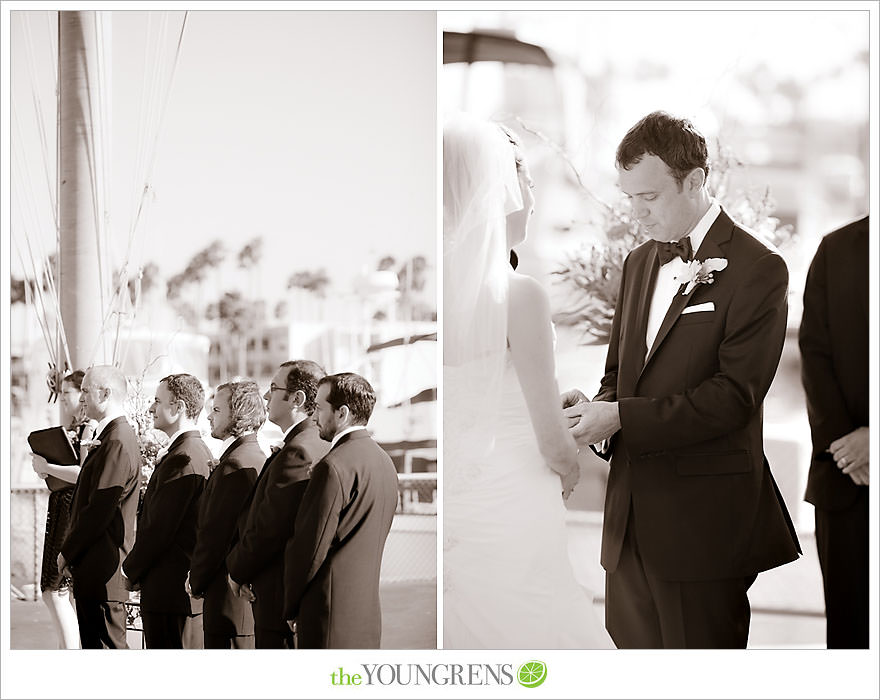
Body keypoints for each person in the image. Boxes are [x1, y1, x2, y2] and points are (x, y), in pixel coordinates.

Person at [563, 111, 801, 648]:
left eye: (648, 198)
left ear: (695, 181)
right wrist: (595, 411)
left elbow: (733, 398)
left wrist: (621, 415)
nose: (636, 214)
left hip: (703, 528)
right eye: (628, 199)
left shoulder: (759, 269)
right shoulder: (636, 263)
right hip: (626, 528)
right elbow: (620, 377)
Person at [441, 113, 612, 650]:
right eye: (527, 180)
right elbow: (550, 438)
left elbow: (476, 396)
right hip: (516, 494)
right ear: (504, 189)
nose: (533, 196)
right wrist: (566, 469)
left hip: (461, 499)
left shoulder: (441, 299)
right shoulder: (519, 294)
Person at [282, 372, 399, 649]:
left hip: (327, 616)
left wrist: (289, 606)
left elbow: (310, 548)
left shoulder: (332, 466)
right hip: (367, 616)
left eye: (320, 409)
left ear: (342, 412)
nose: (314, 418)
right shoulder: (384, 462)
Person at [799, 214, 869, 649]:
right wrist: (848, 449)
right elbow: (814, 355)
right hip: (847, 483)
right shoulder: (836, 249)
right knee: (849, 636)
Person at [226, 361, 329, 649]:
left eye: (273, 388)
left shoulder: (299, 450)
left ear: (297, 399)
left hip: (276, 593)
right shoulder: (311, 441)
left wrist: (237, 570)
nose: (266, 397)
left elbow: (271, 526)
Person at [122, 373, 212, 648]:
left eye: (157, 401)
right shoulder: (191, 451)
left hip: (171, 594)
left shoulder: (183, 458)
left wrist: (130, 571)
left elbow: (159, 528)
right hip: (174, 594)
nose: (151, 408)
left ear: (179, 407)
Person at [58, 365, 140, 649]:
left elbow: (98, 510)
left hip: (103, 571)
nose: (81, 399)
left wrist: (68, 552)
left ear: (105, 394)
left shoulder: (116, 440)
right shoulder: (111, 437)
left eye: (85, 391)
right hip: (95, 569)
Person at [188, 379, 266, 649]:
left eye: (217, 410)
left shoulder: (235, 464)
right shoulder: (254, 455)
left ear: (240, 416)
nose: (209, 416)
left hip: (228, 603)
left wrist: (195, 581)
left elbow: (215, 536)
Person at [29, 369, 96, 648]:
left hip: (69, 508)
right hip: (61, 504)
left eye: (67, 392)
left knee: (54, 589)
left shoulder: (89, 427)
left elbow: (84, 474)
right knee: (57, 591)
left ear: (83, 393)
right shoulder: (77, 426)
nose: (63, 399)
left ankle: (69, 651)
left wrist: (49, 467)